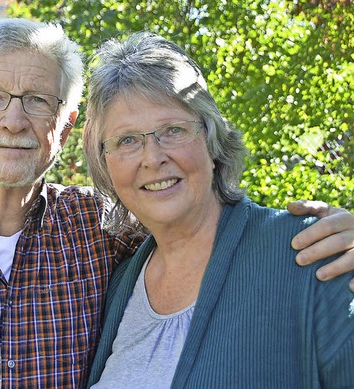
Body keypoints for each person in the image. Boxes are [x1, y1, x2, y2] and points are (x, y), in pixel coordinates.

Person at [0, 19, 354, 388]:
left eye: (38, 101)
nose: (14, 121)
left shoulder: (99, 231)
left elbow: (208, 221)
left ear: (64, 127)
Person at [84, 31, 354, 388]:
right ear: (105, 163)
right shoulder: (118, 284)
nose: (152, 158)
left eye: (174, 130)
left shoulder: (312, 251)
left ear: (212, 140)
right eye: (127, 140)